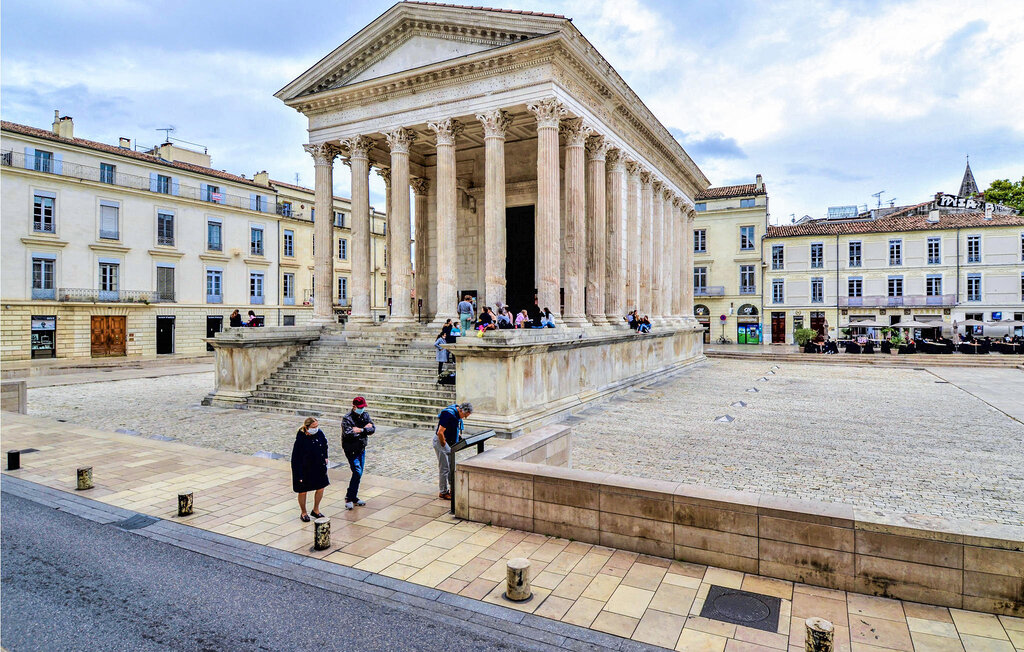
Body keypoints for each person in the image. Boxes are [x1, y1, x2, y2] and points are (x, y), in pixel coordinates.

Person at [291, 417, 329, 522]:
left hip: (318, 466)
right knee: (303, 491)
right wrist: (299, 475)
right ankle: (303, 512)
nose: (316, 428)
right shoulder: (301, 439)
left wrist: (325, 457)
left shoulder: (319, 433)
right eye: (313, 427)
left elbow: (324, 444)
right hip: (305, 468)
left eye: (317, 426)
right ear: (307, 427)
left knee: (321, 487)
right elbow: (296, 458)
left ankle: (316, 510)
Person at [341, 397, 375, 510]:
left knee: (358, 474)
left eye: (363, 407)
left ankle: (353, 496)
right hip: (351, 449)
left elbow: (372, 429)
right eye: (360, 407)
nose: (362, 409)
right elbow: (348, 433)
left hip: (361, 448)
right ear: (354, 407)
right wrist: (364, 430)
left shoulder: (365, 415)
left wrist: (360, 430)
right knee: (357, 471)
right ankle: (349, 497)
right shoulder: (347, 418)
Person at [434, 402, 473, 500]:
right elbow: (440, 432)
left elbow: (454, 428)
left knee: (452, 466)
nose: (464, 418)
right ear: (461, 410)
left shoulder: (456, 414)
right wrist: (444, 445)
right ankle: (443, 492)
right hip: (441, 441)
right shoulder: (448, 414)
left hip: (449, 443)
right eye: (464, 416)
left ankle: (453, 489)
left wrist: (457, 437)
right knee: (445, 467)